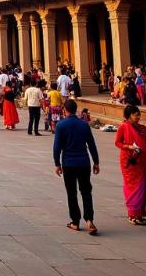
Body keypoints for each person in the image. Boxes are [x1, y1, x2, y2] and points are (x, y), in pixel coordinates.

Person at [53, 99, 100, 235]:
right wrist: (96, 162)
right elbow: (91, 144)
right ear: (76, 109)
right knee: (86, 191)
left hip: (69, 163)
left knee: (71, 193)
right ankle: (89, 219)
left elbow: (57, 147)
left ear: (64, 110)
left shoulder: (61, 125)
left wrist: (57, 164)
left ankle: (75, 221)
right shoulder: (84, 125)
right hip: (84, 163)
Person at [115, 104, 146, 225]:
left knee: (142, 186)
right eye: (136, 115)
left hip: (141, 160)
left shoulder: (143, 128)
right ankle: (133, 215)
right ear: (129, 116)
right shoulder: (123, 127)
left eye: (139, 114)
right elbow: (117, 143)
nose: (138, 116)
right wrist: (128, 146)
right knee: (133, 186)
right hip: (129, 161)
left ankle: (139, 214)